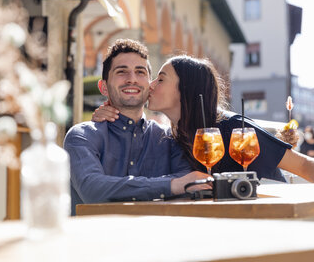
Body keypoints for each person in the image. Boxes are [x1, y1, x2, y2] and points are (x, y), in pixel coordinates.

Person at [93, 55, 314, 183]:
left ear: (185, 89)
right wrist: (109, 115)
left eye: (161, 78)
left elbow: (306, 166)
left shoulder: (232, 129)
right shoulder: (169, 137)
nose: (151, 85)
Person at [64, 40, 209, 215]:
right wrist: (171, 185)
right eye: (121, 72)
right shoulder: (81, 136)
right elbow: (93, 189)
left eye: (140, 72)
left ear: (150, 86)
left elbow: (189, 184)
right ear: (103, 87)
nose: (131, 79)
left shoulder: (170, 139)